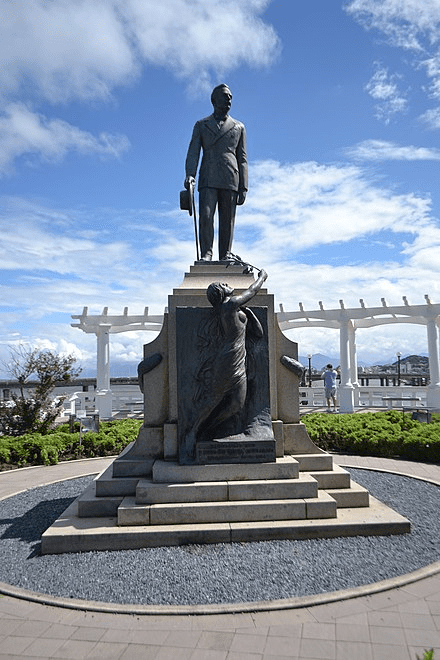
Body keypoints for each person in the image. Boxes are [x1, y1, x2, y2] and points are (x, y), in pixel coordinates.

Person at [183, 269, 267, 456]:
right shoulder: (228, 305)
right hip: (227, 359)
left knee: (237, 403)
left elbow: (259, 333)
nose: (229, 285)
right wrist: (262, 277)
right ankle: (191, 430)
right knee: (212, 399)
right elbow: (252, 292)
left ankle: (208, 429)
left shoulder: (234, 309)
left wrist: (251, 315)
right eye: (225, 284)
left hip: (238, 359)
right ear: (220, 292)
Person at [184, 83, 248, 262]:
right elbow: (193, 152)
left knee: (227, 220)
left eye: (230, 97)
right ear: (214, 100)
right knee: (206, 216)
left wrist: (244, 186)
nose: (229, 99)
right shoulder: (202, 125)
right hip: (208, 176)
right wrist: (190, 174)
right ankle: (207, 253)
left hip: (230, 177)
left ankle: (226, 254)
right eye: (225, 95)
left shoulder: (238, 127)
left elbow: (242, 158)